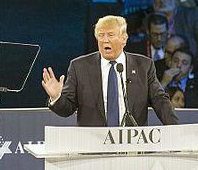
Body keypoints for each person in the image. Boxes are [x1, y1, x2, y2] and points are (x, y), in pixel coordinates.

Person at [41, 14, 178, 127]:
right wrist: (56, 97)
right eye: (101, 35)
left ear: (124, 39)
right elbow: (67, 110)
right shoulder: (79, 66)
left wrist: (175, 129)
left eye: (111, 35)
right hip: (93, 145)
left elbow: (159, 100)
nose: (105, 40)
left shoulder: (144, 65)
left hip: (132, 144)